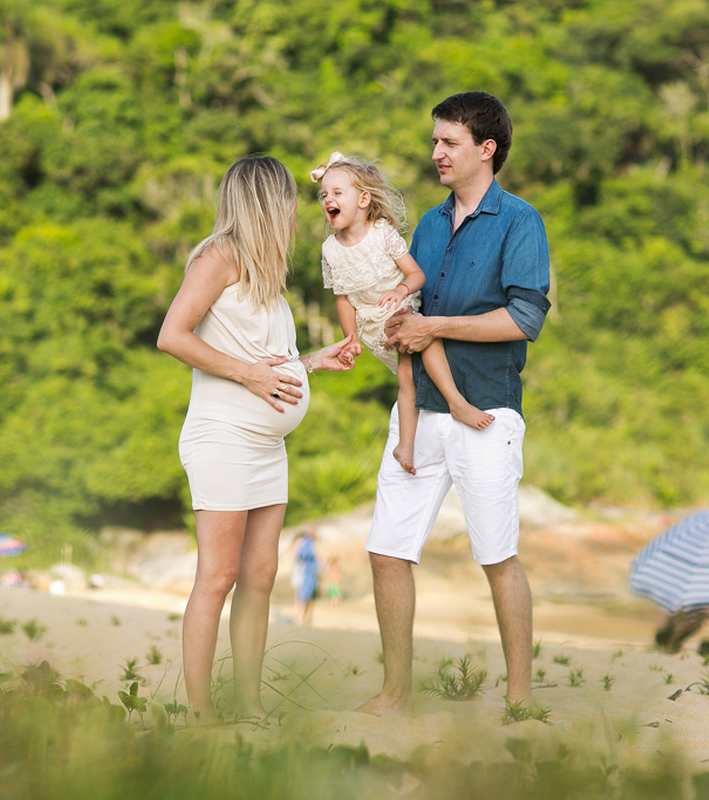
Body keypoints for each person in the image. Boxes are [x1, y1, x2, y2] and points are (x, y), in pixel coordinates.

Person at [360, 91, 551, 716]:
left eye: (449, 142)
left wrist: (434, 325)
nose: (435, 151)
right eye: (435, 140)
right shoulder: (427, 225)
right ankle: (395, 694)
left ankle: (519, 698)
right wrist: (393, 323)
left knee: (497, 556)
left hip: (488, 413)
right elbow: (409, 310)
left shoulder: (521, 221)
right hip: (417, 413)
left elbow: (525, 319)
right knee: (387, 551)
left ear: (485, 149)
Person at [157, 155, 357, 722]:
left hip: (267, 447)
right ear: (267, 205)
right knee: (218, 575)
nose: (299, 212)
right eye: (290, 202)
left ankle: (249, 703)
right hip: (222, 437)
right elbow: (172, 336)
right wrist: (249, 375)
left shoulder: (267, 277)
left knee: (262, 575)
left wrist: (312, 363)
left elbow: (268, 357)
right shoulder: (217, 258)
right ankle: (201, 714)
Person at [310, 152, 493, 475]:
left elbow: (417, 275)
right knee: (409, 372)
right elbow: (343, 298)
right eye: (324, 194)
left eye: (338, 193)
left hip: (400, 308)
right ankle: (442, 413)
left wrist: (400, 291)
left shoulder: (382, 233)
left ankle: (433, 421)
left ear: (364, 199)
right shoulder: (330, 249)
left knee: (416, 358)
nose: (329, 200)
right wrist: (349, 337)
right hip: (371, 321)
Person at [291, 531, 320, 626]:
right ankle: (301, 619)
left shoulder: (301, 543)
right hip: (304, 575)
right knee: (303, 598)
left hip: (301, 574)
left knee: (300, 597)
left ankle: (300, 618)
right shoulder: (306, 543)